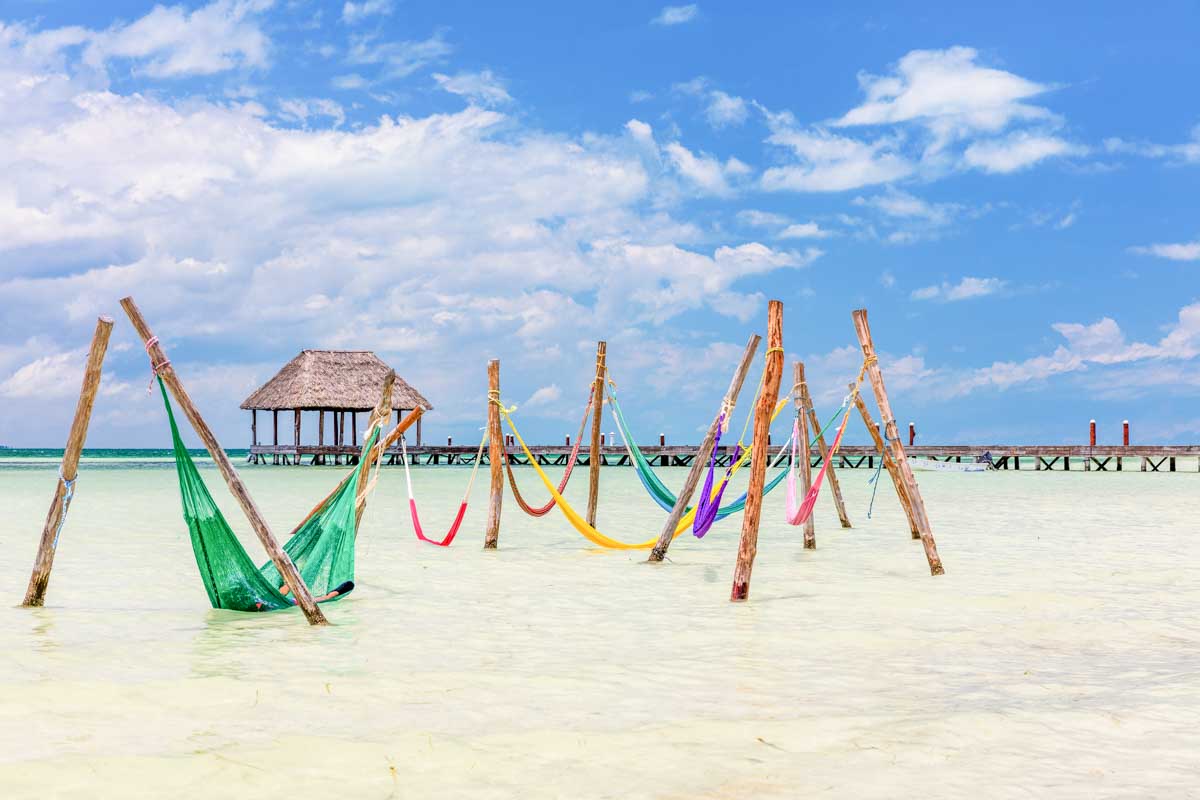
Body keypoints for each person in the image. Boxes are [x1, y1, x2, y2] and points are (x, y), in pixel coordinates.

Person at [255, 580, 354, 610]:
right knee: (323, 598)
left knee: (280, 596)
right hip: (289, 602)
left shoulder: (261, 602)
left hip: (289, 602)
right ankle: (289, 580)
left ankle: (289, 580)